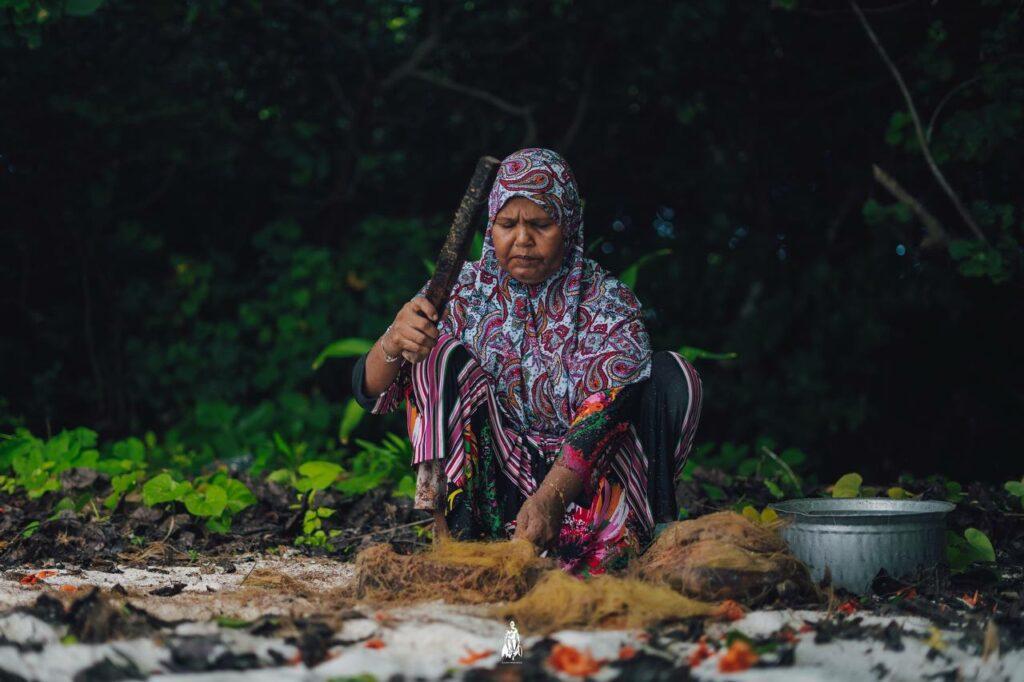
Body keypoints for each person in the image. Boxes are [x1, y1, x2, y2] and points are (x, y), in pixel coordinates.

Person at [351, 147, 702, 576]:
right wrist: (393, 339)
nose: (522, 239)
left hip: (584, 488)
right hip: (494, 488)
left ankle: (631, 541)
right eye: (507, 224)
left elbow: (605, 412)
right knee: (436, 355)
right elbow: (369, 391)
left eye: (540, 224)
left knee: (673, 374)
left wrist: (552, 497)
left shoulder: (608, 301)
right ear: (490, 226)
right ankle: (453, 544)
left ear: (569, 226)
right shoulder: (460, 292)